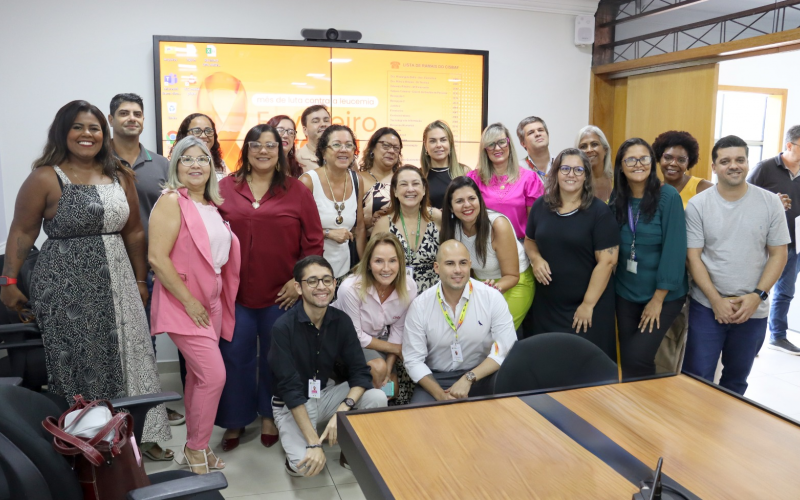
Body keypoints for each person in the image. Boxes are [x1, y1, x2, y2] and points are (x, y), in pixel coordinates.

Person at [0, 100, 171, 445]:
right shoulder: (46, 177)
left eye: (93, 128)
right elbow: (22, 231)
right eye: (78, 126)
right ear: (63, 132)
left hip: (119, 281)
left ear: (103, 134)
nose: (86, 134)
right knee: (83, 362)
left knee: (130, 355)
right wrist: (8, 280)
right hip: (66, 286)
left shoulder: (120, 174)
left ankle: (133, 437)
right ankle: (86, 443)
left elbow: (135, 231)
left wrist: (140, 280)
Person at [216, 124, 324, 451]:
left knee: (277, 360)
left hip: (283, 294)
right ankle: (234, 420)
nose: (263, 151)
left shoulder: (296, 190)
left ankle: (269, 415)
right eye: (256, 145)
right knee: (234, 357)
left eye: (270, 145)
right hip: (234, 295)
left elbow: (314, 241)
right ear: (246, 150)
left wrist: (299, 282)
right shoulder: (223, 187)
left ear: (281, 151)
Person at [148, 136, 240, 474]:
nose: (195, 165)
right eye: (186, 159)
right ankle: (196, 448)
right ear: (176, 167)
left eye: (202, 158)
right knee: (214, 376)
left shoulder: (211, 205)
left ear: (212, 167)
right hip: (185, 303)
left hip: (211, 302)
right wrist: (190, 303)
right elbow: (157, 258)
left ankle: (195, 446)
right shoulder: (172, 201)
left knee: (198, 379)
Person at [684, 135, 789, 395]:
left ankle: (724, 434)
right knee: (697, 378)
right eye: (725, 160)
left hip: (752, 309)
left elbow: (779, 254)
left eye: (740, 160)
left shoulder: (770, 202)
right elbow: (693, 257)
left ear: (747, 162)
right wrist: (715, 300)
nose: (734, 165)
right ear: (714, 167)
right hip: (707, 307)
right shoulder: (699, 205)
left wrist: (758, 296)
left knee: (736, 382)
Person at [106, 93, 186, 439]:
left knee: (147, 343)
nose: (132, 118)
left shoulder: (161, 163)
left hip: (153, 267)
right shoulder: (97, 159)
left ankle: (149, 406)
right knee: (119, 344)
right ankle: (118, 410)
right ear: (111, 119)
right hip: (108, 265)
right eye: (123, 113)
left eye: (137, 113)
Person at [268, 256, 387, 476]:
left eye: (326, 280)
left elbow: (360, 372)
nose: (321, 287)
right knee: (304, 468)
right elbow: (291, 391)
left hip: (327, 393)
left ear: (334, 284)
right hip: (293, 402)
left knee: (378, 397)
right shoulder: (283, 328)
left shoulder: (341, 321)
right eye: (312, 281)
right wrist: (314, 444)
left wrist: (341, 413)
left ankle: (350, 449)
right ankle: (297, 441)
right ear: (299, 287)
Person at [524, 149, 619, 359]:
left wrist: (587, 304)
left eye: (578, 169)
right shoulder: (541, 205)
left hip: (586, 307)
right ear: (556, 172)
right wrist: (536, 258)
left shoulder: (598, 212)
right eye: (565, 168)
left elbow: (607, 262)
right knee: (549, 365)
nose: (571, 174)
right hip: (548, 307)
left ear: (586, 175)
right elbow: (529, 241)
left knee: (586, 369)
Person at [609, 138, 687, 380]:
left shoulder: (668, 196)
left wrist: (658, 299)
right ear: (621, 166)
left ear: (652, 164)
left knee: (638, 357)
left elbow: (675, 250)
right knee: (628, 356)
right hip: (626, 291)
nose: (638, 164)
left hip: (663, 295)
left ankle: (645, 410)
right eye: (630, 159)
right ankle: (635, 410)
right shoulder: (617, 199)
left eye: (644, 159)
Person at [402, 240, 517, 403]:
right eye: (450, 263)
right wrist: (441, 395)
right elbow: (413, 360)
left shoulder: (491, 298)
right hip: (436, 379)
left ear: (470, 265)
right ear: (437, 268)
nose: (458, 270)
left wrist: (469, 378)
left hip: (482, 376)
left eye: (463, 263)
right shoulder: (420, 305)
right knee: (420, 421)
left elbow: (505, 349)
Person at [441, 176, 534, 331]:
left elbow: (512, 276)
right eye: (459, 201)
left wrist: (490, 290)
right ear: (450, 207)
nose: (467, 205)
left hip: (515, 283)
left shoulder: (497, 225)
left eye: (472, 198)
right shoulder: (452, 229)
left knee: (492, 334)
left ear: (480, 200)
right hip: (481, 286)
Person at [332, 233, 417, 397]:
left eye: (392, 260)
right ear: (369, 264)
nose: (386, 268)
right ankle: (363, 415)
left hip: (377, 338)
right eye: (379, 261)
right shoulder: (350, 288)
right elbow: (356, 336)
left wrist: (389, 367)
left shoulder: (409, 286)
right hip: (344, 340)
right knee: (378, 368)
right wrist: (392, 350)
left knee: (391, 388)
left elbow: (398, 330)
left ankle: (377, 409)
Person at [748, 125, 800, 355]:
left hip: (795, 244)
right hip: (767, 245)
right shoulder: (765, 168)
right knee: (759, 290)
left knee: (786, 292)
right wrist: (772, 203)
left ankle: (777, 336)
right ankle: (747, 337)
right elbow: (743, 199)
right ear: (789, 145)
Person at [300, 125, 365, 283]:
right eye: (336, 145)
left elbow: (361, 227)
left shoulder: (357, 180)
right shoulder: (308, 182)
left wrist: (363, 266)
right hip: (312, 273)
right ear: (323, 151)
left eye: (349, 145)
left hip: (345, 272)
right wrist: (328, 233)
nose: (344, 150)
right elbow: (294, 230)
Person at [467, 123, 545, 240]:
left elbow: (536, 223)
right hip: (483, 245)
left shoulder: (529, 179)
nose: (497, 148)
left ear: (509, 143)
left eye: (502, 142)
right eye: (491, 144)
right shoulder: (473, 178)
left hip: (520, 246)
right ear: (485, 149)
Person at [373, 166, 441, 292]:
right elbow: (372, 263)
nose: (410, 189)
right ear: (395, 191)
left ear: (424, 189)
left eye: (415, 184)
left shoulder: (436, 217)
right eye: (403, 184)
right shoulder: (384, 224)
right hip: (397, 295)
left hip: (433, 295)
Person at [652, 130, 713, 208]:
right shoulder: (653, 190)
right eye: (667, 158)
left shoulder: (704, 188)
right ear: (659, 158)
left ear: (689, 162)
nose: (673, 163)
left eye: (681, 160)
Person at [358, 127, 402, 232]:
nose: (391, 151)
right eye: (385, 146)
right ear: (372, 148)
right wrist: (369, 221)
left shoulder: (403, 180)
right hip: (368, 243)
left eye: (396, 148)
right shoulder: (358, 179)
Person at [420, 120, 470, 209]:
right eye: (433, 141)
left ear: (450, 143)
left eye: (443, 140)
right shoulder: (419, 175)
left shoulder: (465, 171)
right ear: (425, 145)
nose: (438, 145)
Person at [171, 113, 227, 178]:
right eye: (197, 131)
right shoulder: (176, 163)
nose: (204, 136)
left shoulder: (220, 163)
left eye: (208, 131)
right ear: (184, 135)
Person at [576, 126, 613, 203]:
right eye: (583, 146)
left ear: (605, 149)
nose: (589, 150)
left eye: (594, 144)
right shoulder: (575, 183)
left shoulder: (617, 181)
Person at [296, 105, 331, 172]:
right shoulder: (296, 159)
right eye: (316, 121)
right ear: (305, 130)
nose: (323, 124)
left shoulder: (341, 155)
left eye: (326, 120)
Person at [517, 116, 552, 180]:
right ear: (523, 143)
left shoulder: (562, 163)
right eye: (531, 132)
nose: (538, 134)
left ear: (548, 135)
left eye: (540, 130)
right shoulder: (517, 169)